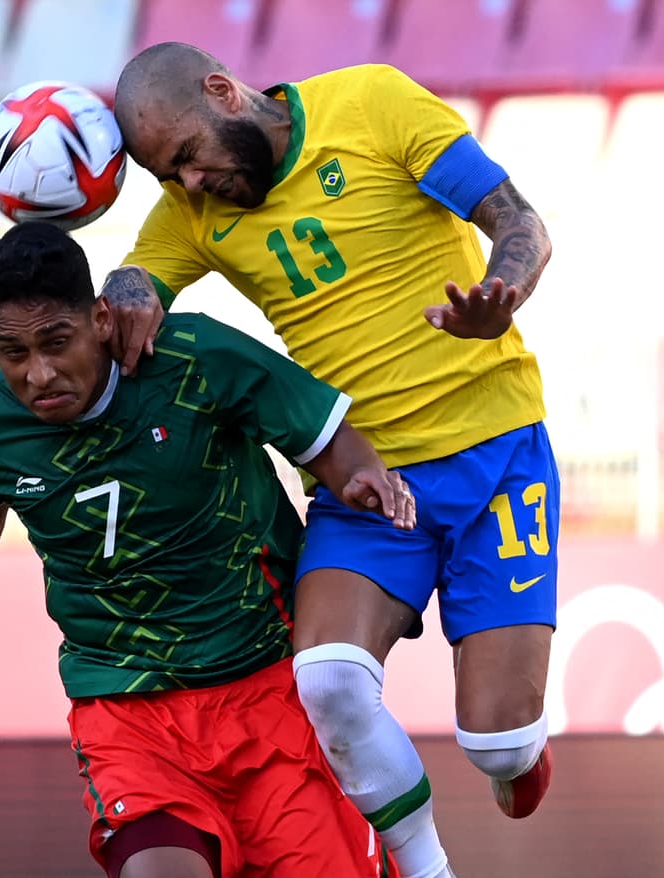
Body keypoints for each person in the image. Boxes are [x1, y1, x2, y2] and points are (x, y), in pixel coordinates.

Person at [105, 42, 559, 878]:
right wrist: (127, 290)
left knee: (497, 744)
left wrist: (504, 293)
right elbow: (133, 291)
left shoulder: (373, 103)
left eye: (189, 159)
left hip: (495, 453)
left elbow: (519, 220)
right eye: (169, 177)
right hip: (366, 481)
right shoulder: (192, 213)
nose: (190, 186)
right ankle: (429, 869)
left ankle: (519, 757)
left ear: (223, 92)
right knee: (329, 681)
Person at [0, 221, 413, 878]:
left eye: (57, 342)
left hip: (268, 686)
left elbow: (327, 439)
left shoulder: (195, 360)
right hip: (126, 708)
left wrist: (362, 479)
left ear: (101, 318)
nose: (39, 373)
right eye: (12, 353)